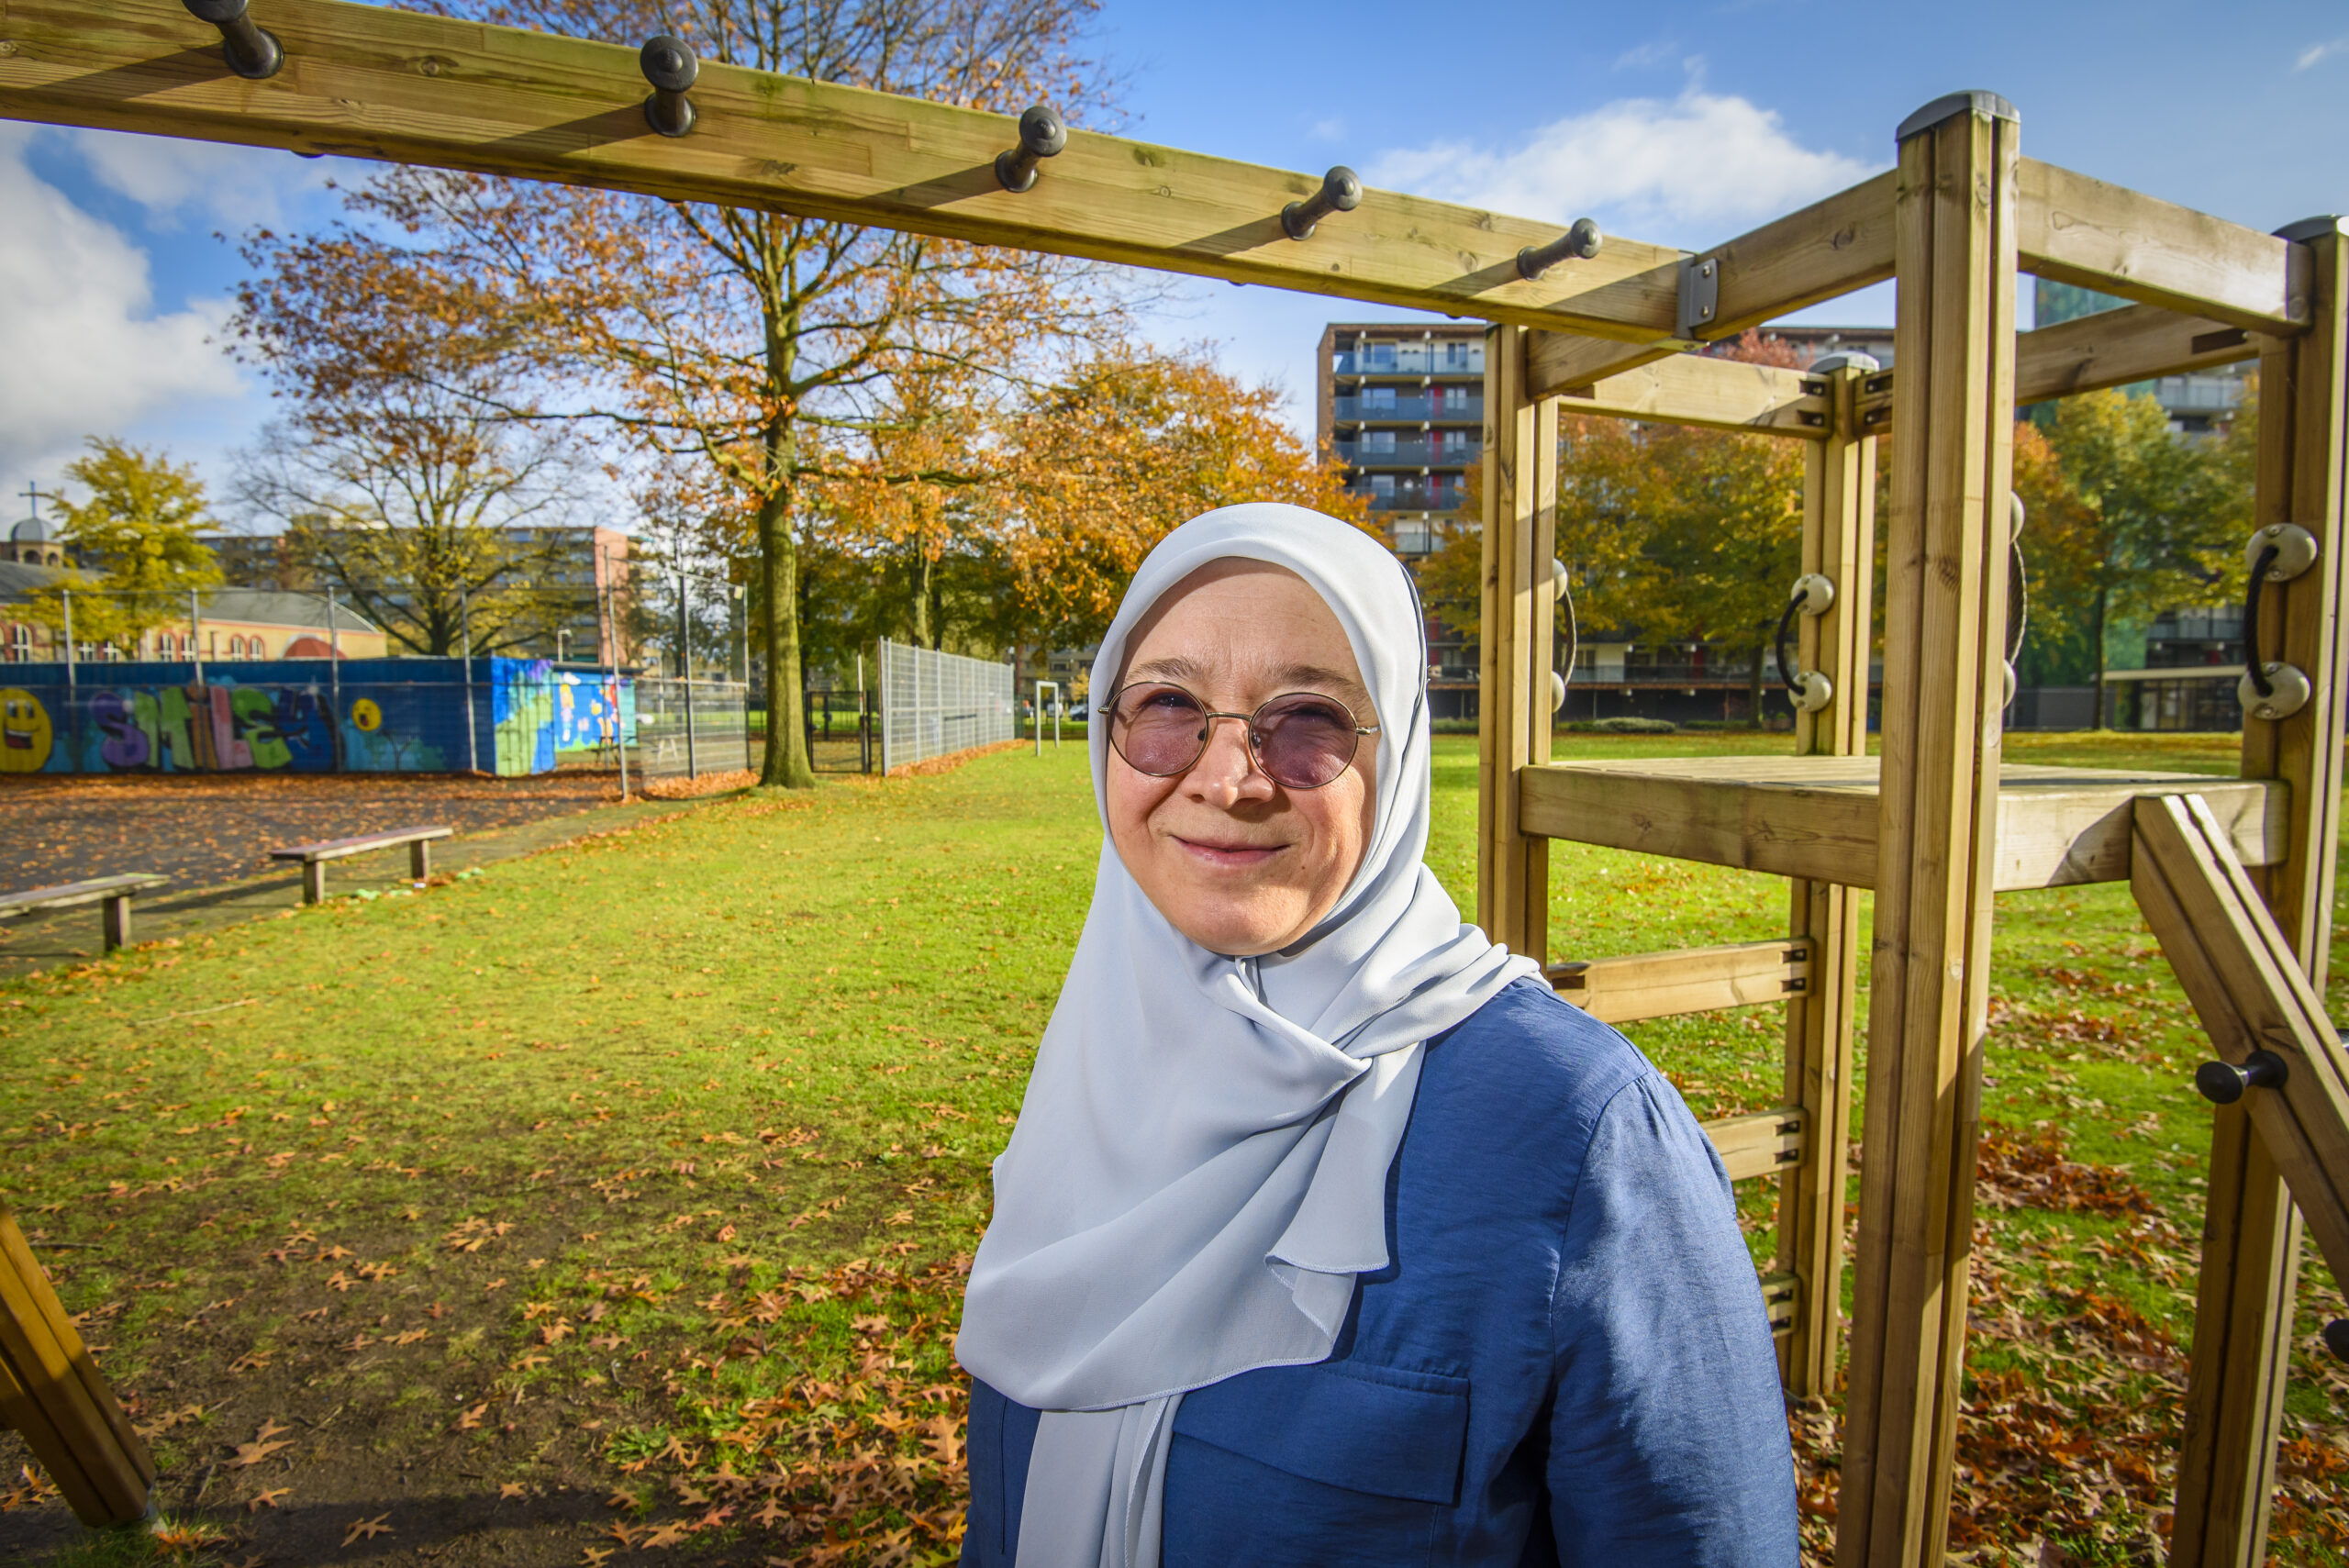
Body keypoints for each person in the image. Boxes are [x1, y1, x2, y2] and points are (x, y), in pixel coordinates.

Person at [957, 505, 1798, 1567]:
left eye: (1306, 717)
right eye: (1168, 702)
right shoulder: (1095, 1059)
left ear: (1393, 752)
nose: (1227, 778)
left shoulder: (1579, 1134)